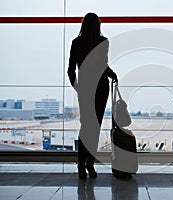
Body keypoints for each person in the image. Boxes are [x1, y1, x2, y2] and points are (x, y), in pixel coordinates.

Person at [68, 13, 118, 179]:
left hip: (86, 89)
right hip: (100, 87)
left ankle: (81, 166)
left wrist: (77, 87)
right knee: (95, 128)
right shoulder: (103, 42)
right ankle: (90, 164)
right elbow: (102, 65)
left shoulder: (76, 43)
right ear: (98, 25)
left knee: (86, 127)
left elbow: (71, 70)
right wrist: (113, 74)